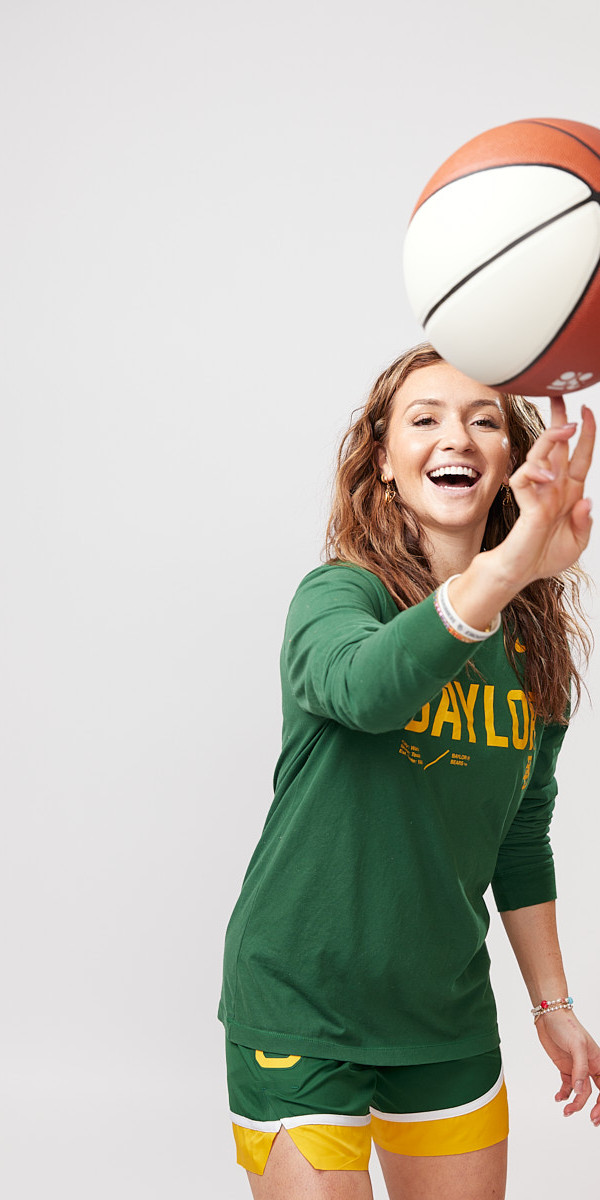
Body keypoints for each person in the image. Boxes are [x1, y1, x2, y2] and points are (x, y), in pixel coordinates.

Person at [218, 343, 599, 1200]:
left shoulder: (533, 650)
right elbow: (367, 690)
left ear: (508, 462)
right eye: (423, 420)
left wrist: (554, 1005)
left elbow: (519, 840)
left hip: (445, 1016)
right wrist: (509, 568)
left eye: (483, 419)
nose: (453, 437)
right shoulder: (338, 597)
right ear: (384, 464)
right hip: (301, 1007)